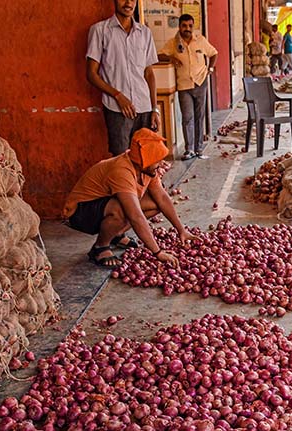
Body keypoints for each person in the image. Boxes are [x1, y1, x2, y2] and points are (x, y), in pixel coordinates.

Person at [63, 129, 198, 268]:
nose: (160, 164)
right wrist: (157, 252)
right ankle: (100, 248)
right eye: (156, 161)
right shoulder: (122, 171)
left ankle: (116, 234)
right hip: (80, 212)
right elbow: (135, 216)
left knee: (156, 204)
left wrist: (181, 230)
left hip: (104, 204)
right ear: (143, 161)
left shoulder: (148, 169)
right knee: (122, 209)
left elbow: (162, 198)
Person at [87, 0, 160, 157]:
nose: (128, 3)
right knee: (121, 160)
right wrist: (118, 95)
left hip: (144, 108)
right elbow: (91, 74)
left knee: (145, 159)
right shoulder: (100, 31)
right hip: (117, 109)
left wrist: (155, 109)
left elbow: (149, 73)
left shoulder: (145, 33)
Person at [158, 14, 217, 161]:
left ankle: (199, 149)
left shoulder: (200, 40)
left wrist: (210, 69)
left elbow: (214, 53)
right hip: (183, 85)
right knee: (187, 118)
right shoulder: (173, 43)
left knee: (199, 117)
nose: (187, 29)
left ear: (193, 26)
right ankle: (189, 150)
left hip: (200, 82)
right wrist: (171, 58)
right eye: (184, 26)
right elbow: (158, 55)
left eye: (190, 26)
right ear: (179, 27)